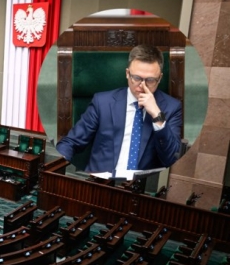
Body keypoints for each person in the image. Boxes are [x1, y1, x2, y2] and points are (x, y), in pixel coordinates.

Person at [56, 44, 182, 173]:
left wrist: (157, 115)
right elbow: (71, 142)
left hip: (137, 187)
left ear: (159, 78)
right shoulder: (103, 102)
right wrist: (57, 165)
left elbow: (171, 159)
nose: (142, 86)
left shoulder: (172, 107)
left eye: (150, 80)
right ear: (127, 74)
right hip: (99, 182)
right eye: (137, 78)